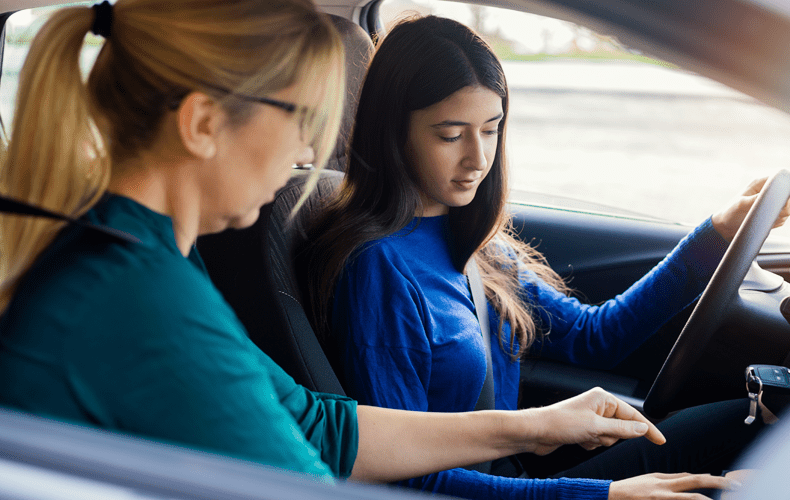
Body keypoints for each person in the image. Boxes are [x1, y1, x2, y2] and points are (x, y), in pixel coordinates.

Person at [0, 0, 683, 487]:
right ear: (205, 123)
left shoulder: (145, 261)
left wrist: (534, 427)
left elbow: (320, 429)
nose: (309, 151)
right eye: (305, 119)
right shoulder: (138, 297)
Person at [301, 15, 790, 499]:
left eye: (492, 129)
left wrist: (719, 232)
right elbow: (404, 481)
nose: (478, 157)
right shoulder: (379, 270)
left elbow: (596, 336)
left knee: (753, 418)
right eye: (450, 135)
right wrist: (601, 494)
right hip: (481, 489)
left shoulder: (474, 240)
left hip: (513, 477)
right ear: (394, 133)